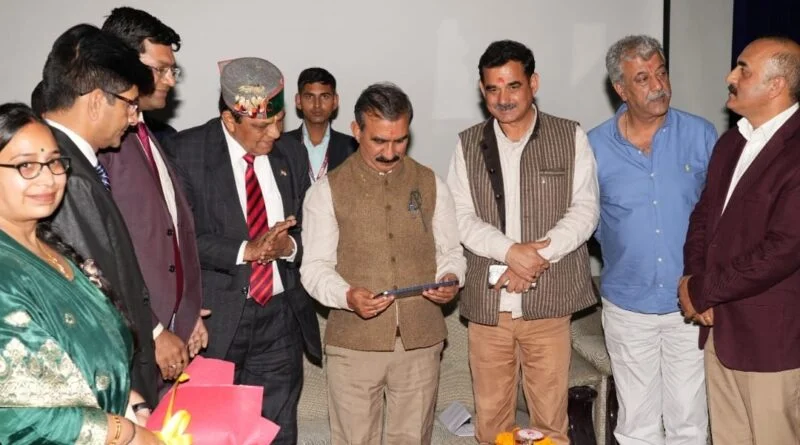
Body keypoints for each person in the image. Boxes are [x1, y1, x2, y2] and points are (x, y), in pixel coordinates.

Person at [446, 40, 599, 444]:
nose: (503, 98)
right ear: (481, 90)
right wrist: (509, 252)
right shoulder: (467, 144)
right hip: (488, 306)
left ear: (533, 83)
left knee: (548, 421)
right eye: (493, 88)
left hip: (548, 301)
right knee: (492, 421)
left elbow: (585, 211)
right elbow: (460, 217)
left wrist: (532, 260)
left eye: (513, 85)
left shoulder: (570, 135)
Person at [164, 57, 322, 445]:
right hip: (216, 321)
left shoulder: (291, 153)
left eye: (279, 120)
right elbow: (178, 239)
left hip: (280, 317)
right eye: (261, 126)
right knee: (210, 429)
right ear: (230, 119)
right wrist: (246, 250)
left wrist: (289, 246)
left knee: (277, 430)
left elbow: (312, 228)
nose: (274, 133)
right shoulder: (186, 152)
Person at [301, 82, 466, 445]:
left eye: (400, 140)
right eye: (379, 141)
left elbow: (451, 252)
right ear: (356, 130)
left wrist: (451, 277)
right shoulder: (326, 191)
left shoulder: (431, 183)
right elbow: (313, 268)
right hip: (353, 346)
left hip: (420, 343)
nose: (390, 152)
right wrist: (347, 296)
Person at [0, 103, 164, 444]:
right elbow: (20, 413)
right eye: (26, 165)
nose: (48, 178)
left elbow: (90, 353)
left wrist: (128, 400)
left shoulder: (52, 248)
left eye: (54, 162)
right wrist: (125, 432)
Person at [588, 35, 717, 445]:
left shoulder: (701, 135)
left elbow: (720, 217)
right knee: (637, 426)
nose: (658, 85)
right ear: (621, 89)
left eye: (661, 72)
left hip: (690, 304)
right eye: (642, 79)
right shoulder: (592, 147)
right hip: (628, 305)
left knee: (689, 423)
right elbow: (588, 221)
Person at [680, 36, 800, 445]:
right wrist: (694, 281)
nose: (730, 76)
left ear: (776, 85)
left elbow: (783, 248)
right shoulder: (732, 141)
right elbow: (703, 218)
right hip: (719, 329)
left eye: (743, 69)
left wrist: (702, 291)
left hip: (771, 343)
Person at [41, 23, 161, 411]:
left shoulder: (69, 162)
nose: (135, 118)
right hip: (107, 391)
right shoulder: (65, 178)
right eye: (130, 104)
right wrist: (126, 399)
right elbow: (94, 303)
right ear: (96, 101)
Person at [100, 6, 206, 389]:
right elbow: (103, 255)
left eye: (172, 70)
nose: (170, 81)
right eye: (160, 69)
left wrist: (188, 313)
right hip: (134, 341)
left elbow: (173, 232)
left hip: (172, 336)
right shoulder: (103, 145)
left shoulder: (153, 136)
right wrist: (155, 330)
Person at [285, 67, 357, 181]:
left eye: (324, 97)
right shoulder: (281, 145)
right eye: (309, 97)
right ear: (298, 101)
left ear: (335, 101)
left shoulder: (353, 148)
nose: (317, 105)